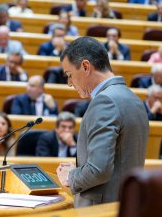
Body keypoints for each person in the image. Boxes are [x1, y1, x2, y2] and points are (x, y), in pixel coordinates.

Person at [56, 36, 149, 208]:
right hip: (125, 206)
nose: (69, 83)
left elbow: (99, 170)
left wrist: (71, 176)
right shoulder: (133, 98)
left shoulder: (104, 101)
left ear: (85, 66)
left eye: (69, 75)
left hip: (99, 210)